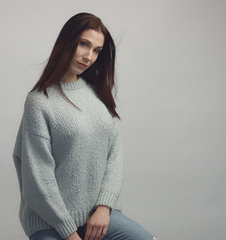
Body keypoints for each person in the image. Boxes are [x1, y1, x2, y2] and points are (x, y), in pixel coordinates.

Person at [13, 12, 157, 240]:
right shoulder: (39, 102)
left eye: (97, 50)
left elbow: (114, 154)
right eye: (83, 44)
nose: (89, 56)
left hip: (95, 217)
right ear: (67, 41)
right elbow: (38, 179)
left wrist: (104, 207)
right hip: (49, 222)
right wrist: (69, 233)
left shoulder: (97, 94)